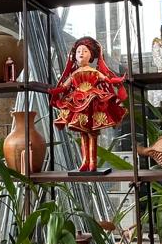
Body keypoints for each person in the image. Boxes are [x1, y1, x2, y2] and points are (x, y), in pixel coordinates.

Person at [50, 36, 126, 173]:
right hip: (77, 102)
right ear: (74, 56)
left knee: (92, 133)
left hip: (93, 101)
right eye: (79, 51)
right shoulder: (74, 74)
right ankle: (85, 162)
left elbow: (108, 80)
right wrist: (54, 91)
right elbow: (64, 87)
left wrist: (118, 80)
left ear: (91, 56)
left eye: (85, 51)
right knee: (83, 133)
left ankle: (93, 162)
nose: (81, 54)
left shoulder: (95, 72)